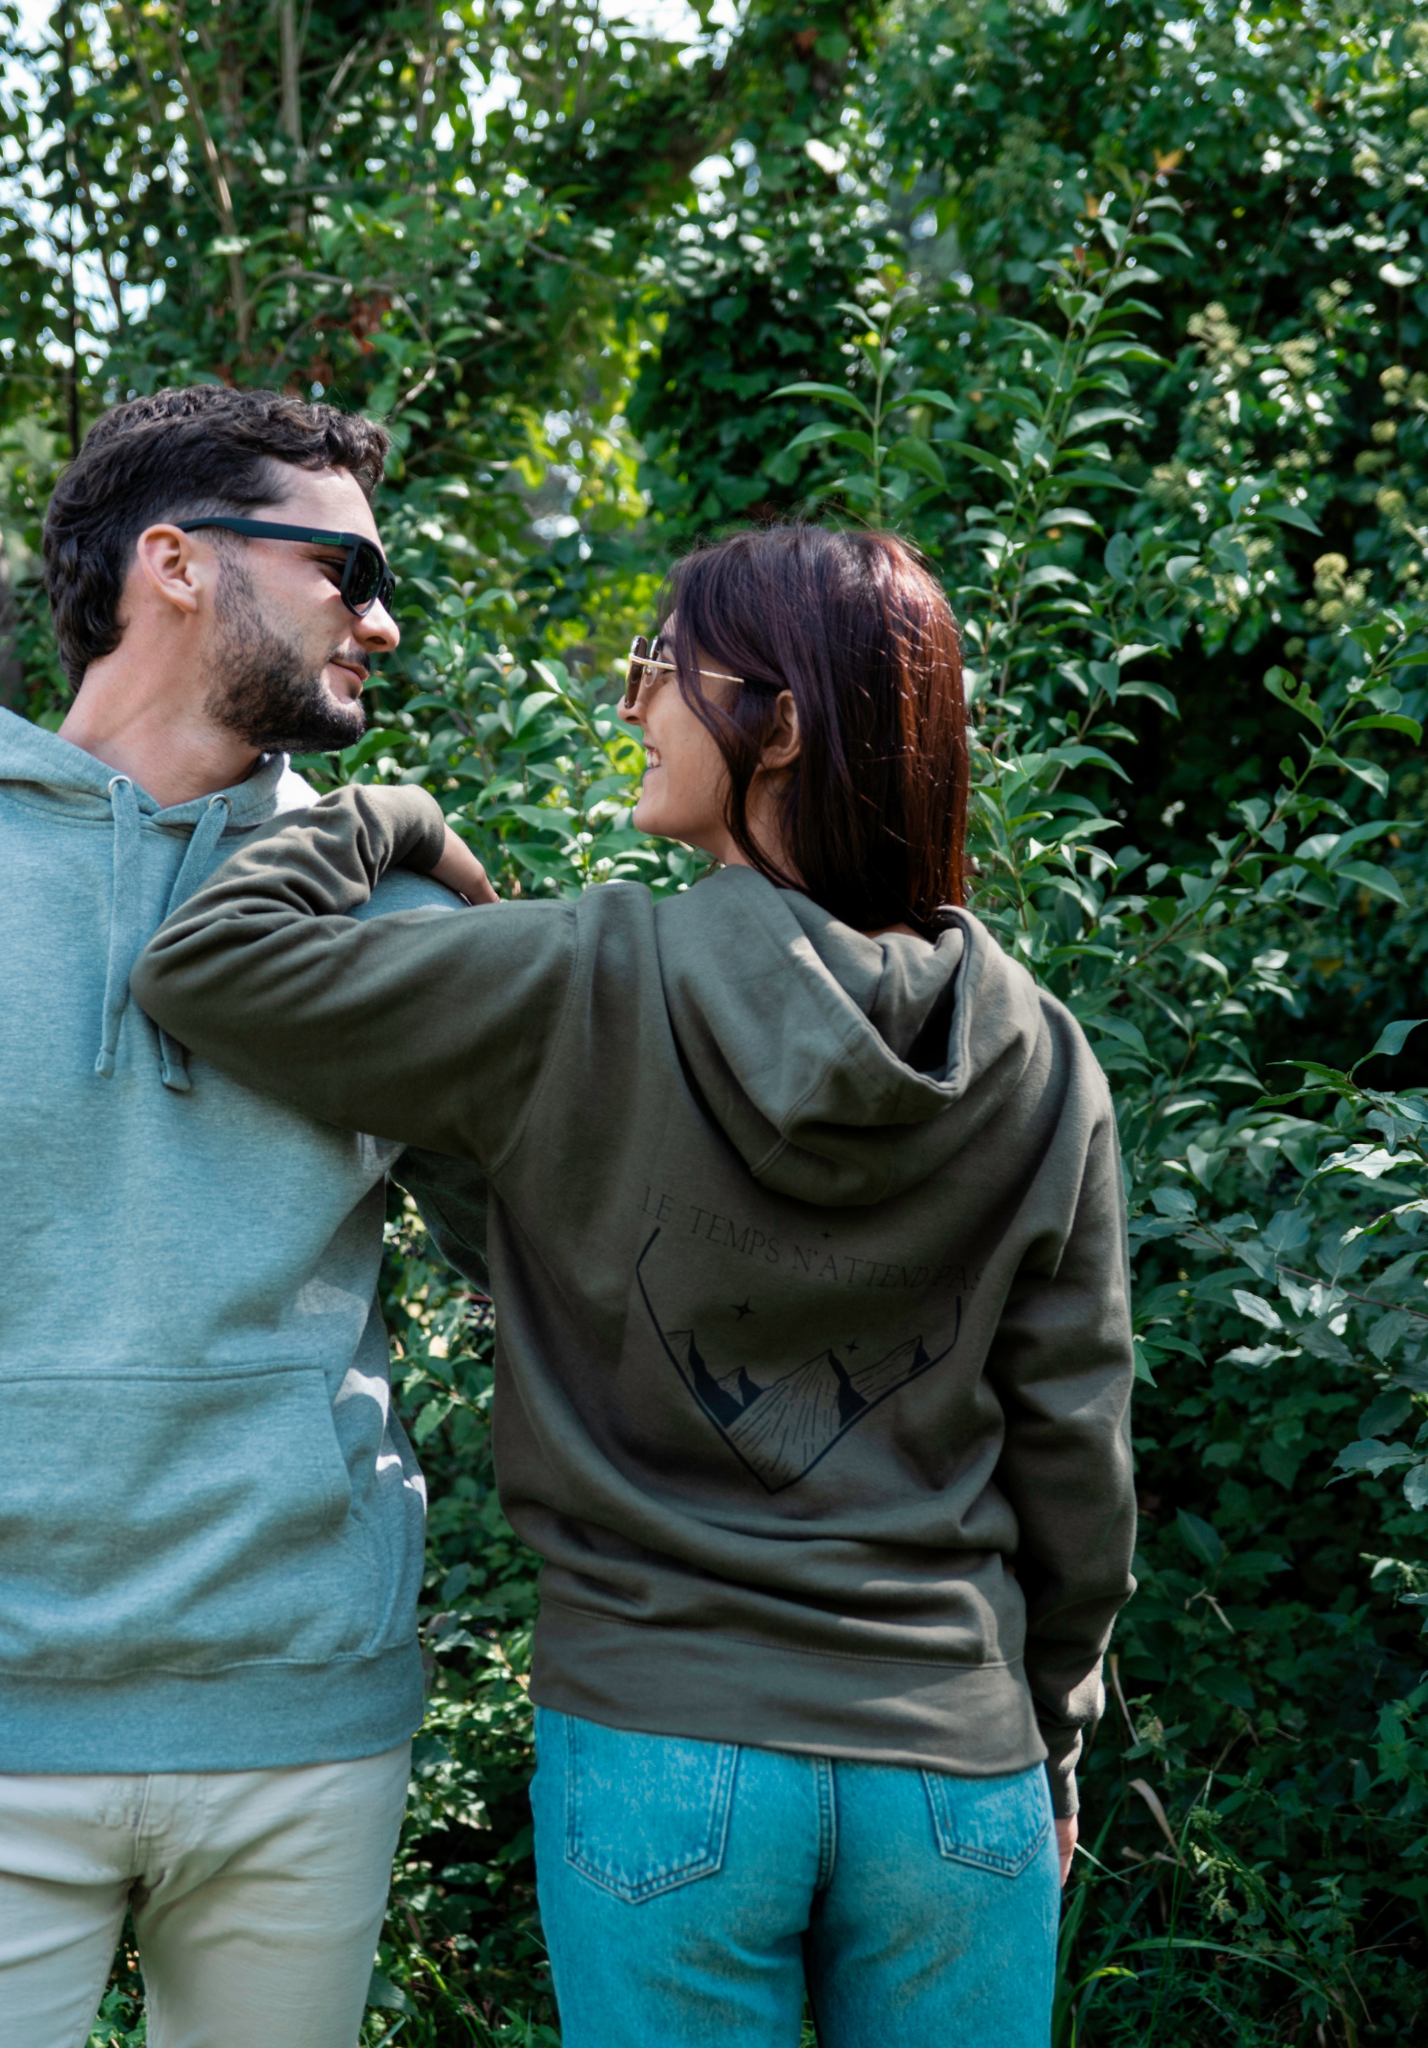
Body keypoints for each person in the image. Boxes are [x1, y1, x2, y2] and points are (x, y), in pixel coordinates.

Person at [131, 522, 1137, 2046]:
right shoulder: (1039, 1057)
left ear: (779, 724)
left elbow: (202, 968)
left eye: (660, 668)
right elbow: (1074, 1450)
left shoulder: (575, 980)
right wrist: (1051, 1743)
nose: (631, 705)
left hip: (664, 1745)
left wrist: (392, 820)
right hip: (954, 1765)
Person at [0, 384, 474, 2048]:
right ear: (179, 563)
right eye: (348, 567)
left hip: (311, 1728)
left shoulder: (395, 912)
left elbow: (554, 1257)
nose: (383, 620)